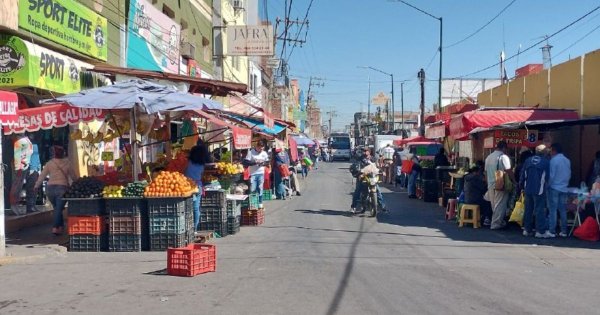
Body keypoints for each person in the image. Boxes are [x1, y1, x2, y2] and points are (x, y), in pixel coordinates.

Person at [34, 146, 76, 235]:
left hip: (49, 189)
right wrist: (77, 183)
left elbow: (42, 175)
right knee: (58, 209)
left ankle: (60, 226)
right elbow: (73, 176)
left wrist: (36, 185)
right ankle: (55, 227)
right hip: (62, 188)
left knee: (57, 208)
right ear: (63, 153)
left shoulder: (50, 163)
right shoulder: (67, 163)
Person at [520, 145, 554, 238]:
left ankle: (527, 229)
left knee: (528, 209)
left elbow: (523, 174)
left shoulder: (528, 160)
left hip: (528, 188)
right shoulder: (546, 162)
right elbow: (547, 177)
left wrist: (521, 185)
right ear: (544, 152)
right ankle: (540, 231)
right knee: (539, 210)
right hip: (540, 189)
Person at [484, 141, 515, 230]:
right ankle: (496, 224)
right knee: (500, 205)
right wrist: (514, 180)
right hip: (500, 184)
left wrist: (488, 183)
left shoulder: (488, 157)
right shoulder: (503, 157)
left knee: (494, 205)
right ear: (504, 148)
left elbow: (485, 172)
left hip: (490, 184)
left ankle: (499, 222)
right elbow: (508, 170)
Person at [547, 143, 571, 237]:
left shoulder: (553, 160)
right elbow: (569, 174)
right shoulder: (567, 160)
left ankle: (552, 230)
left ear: (554, 150)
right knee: (563, 210)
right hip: (564, 187)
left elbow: (551, 176)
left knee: (553, 210)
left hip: (554, 187)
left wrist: (547, 185)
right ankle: (564, 231)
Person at [185, 142, 210, 231]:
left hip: (187, 187)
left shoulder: (188, 162)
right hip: (197, 187)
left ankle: (187, 227)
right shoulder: (202, 164)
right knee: (196, 208)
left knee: (187, 208)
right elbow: (202, 175)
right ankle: (194, 229)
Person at [9, 134, 34, 215]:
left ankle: (15, 205)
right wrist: (18, 167)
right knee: (16, 186)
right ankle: (13, 204)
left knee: (18, 186)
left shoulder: (23, 139)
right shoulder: (19, 140)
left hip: (24, 165)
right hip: (20, 166)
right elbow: (17, 154)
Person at [244, 141, 270, 209]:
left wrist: (263, 163)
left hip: (261, 173)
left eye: (262, 149)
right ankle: (252, 203)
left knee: (260, 188)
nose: (261, 150)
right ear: (257, 147)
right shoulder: (251, 152)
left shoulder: (264, 153)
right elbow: (246, 162)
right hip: (253, 174)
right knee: (253, 189)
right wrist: (255, 162)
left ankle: (260, 203)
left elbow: (267, 162)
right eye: (260, 149)